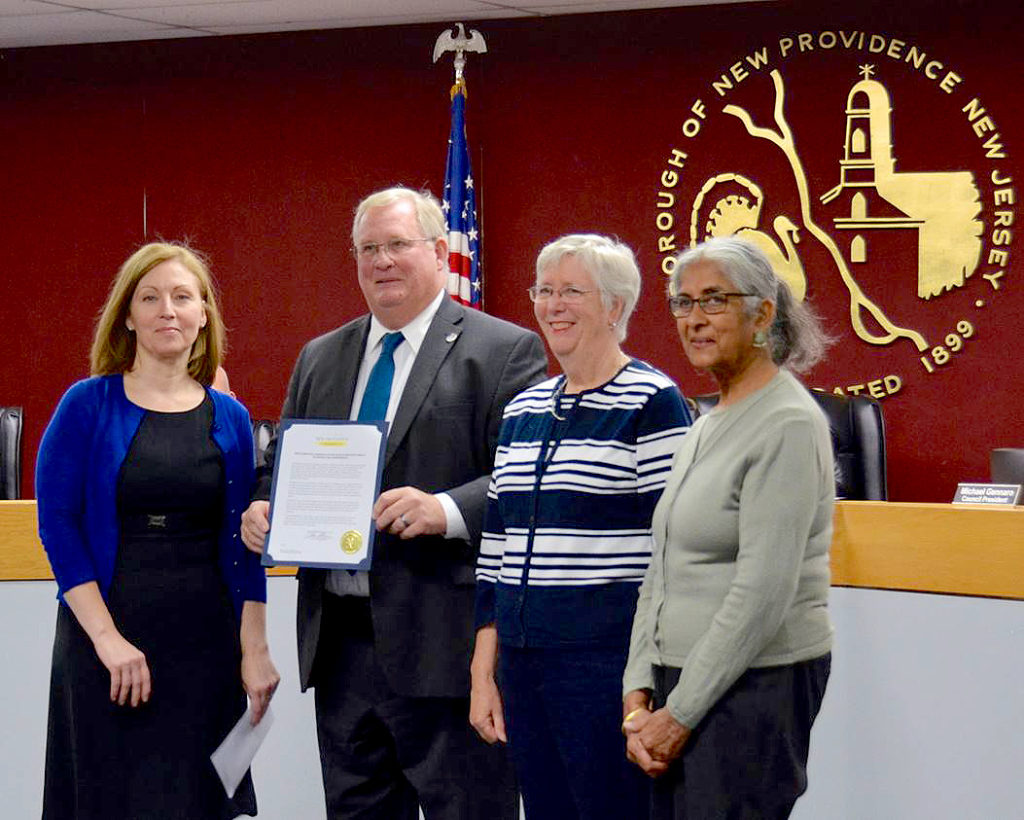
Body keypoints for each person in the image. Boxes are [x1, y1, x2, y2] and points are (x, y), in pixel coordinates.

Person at [240, 186, 548, 819]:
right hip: (342, 649)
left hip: (449, 647)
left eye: (397, 246)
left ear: (439, 252)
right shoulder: (319, 357)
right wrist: (264, 508)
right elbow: (280, 470)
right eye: (368, 249)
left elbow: (526, 482)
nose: (381, 261)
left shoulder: (502, 351)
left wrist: (448, 510)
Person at [36, 241, 279, 819]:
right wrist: (107, 641)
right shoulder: (87, 404)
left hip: (205, 646)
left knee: (195, 803)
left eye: (181, 297)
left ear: (202, 316)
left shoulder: (232, 418)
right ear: (128, 315)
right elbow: (58, 527)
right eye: (150, 298)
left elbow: (243, 544)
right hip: (107, 645)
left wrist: (255, 647)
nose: (167, 310)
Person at [470, 234, 692, 819]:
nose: (552, 305)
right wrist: (482, 669)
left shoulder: (653, 399)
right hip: (520, 662)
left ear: (616, 308)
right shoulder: (522, 410)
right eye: (544, 290)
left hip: (607, 664)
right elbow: (496, 544)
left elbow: (674, 550)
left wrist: (644, 680)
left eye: (572, 291)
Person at [622, 236, 834, 819]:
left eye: (713, 301)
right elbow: (661, 564)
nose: (694, 319)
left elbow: (762, 593)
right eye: (682, 303)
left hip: (754, 689)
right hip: (678, 683)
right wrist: (638, 683)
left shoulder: (787, 422)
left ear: (762, 313)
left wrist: (680, 714)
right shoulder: (708, 419)